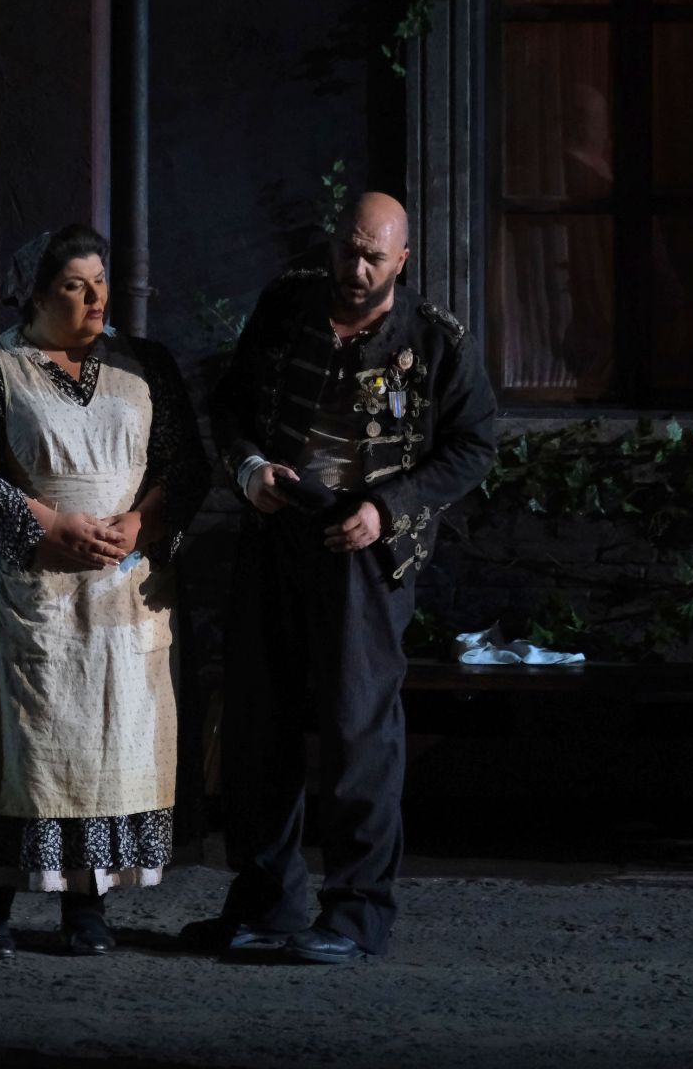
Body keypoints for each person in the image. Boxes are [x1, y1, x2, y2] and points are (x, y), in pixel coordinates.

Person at [187, 191, 497, 963]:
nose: (356, 270)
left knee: (359, 730)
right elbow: (229, 408)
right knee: (260, 724)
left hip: (364, 549)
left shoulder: (434, 339)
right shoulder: (288, 305)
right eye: (348, 251)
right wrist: (251, 467)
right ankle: (266, 900)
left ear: (402, 259)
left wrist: (389, 509)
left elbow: (475, 444)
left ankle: (356, 913)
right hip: (275, 529)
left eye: (373, 257)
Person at [0, 224, 208, 957]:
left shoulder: (146, 367)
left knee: (106, 742)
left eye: (100, 282)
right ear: (38, 294)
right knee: (18, 743)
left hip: (120, 589)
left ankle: (88, 909)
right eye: (75, 285)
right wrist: (43, 521)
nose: (95, 297)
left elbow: (188, 465)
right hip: (23, 585)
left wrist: (139, 522)